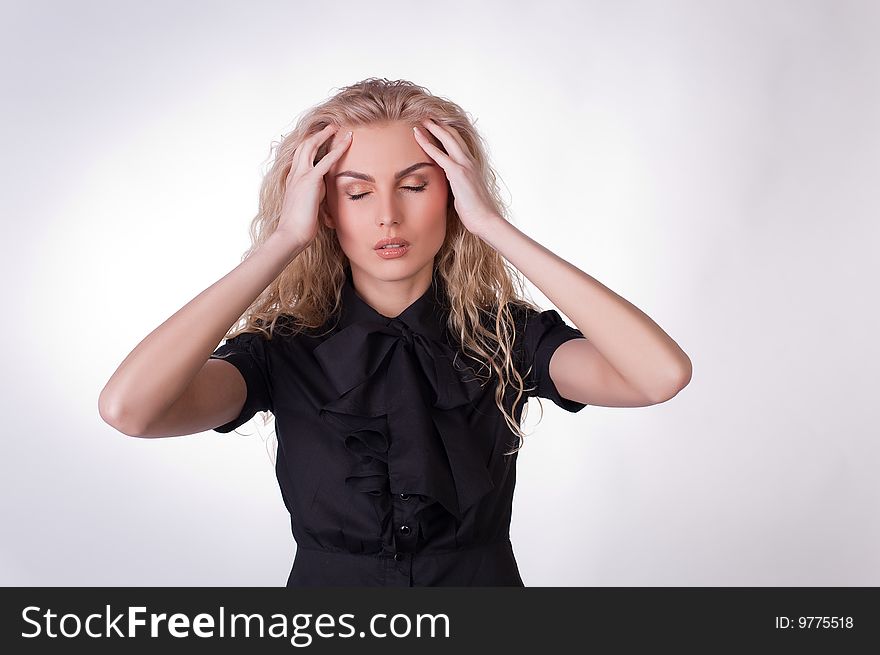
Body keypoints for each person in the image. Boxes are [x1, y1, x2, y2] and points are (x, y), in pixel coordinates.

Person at [99, 77, 692, 586]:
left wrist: (492, 226)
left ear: (453, 196)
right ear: (326, 209)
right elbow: (130, 410)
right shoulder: (280, 351)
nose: (388, 214)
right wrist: (282, 240)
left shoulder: (510, 336)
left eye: (415, 185)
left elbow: (660, 375)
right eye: (357, 192)